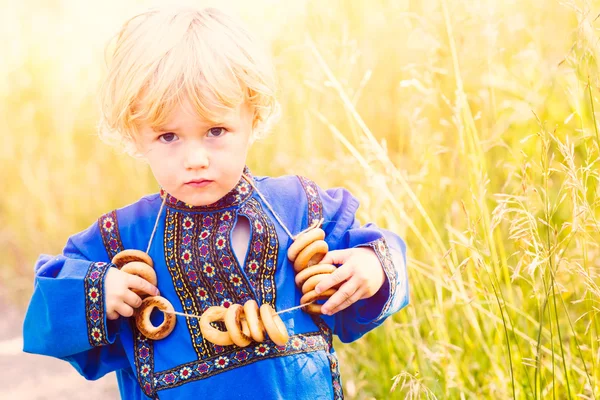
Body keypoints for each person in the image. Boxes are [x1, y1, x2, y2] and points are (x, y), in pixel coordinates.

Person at [22, 5, 409, 399]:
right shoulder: (124, 239)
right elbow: (44, 316)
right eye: (168, 137)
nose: (195, 159)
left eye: (216, 130)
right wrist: (100, 292)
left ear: (253, 118)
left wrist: (372, 265)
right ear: (136, 135)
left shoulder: (297, 209)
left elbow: (377, 252)